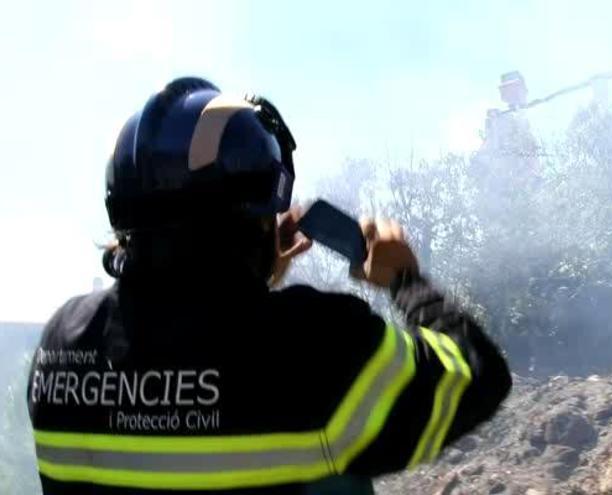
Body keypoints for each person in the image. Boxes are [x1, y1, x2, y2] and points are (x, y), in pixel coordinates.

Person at [27, 77, 512, 494]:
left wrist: (254, 276)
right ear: (254, 213)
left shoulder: (63, 342)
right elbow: (477, 376)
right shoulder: (313, 344)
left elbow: (189, 345)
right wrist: (405, 280)